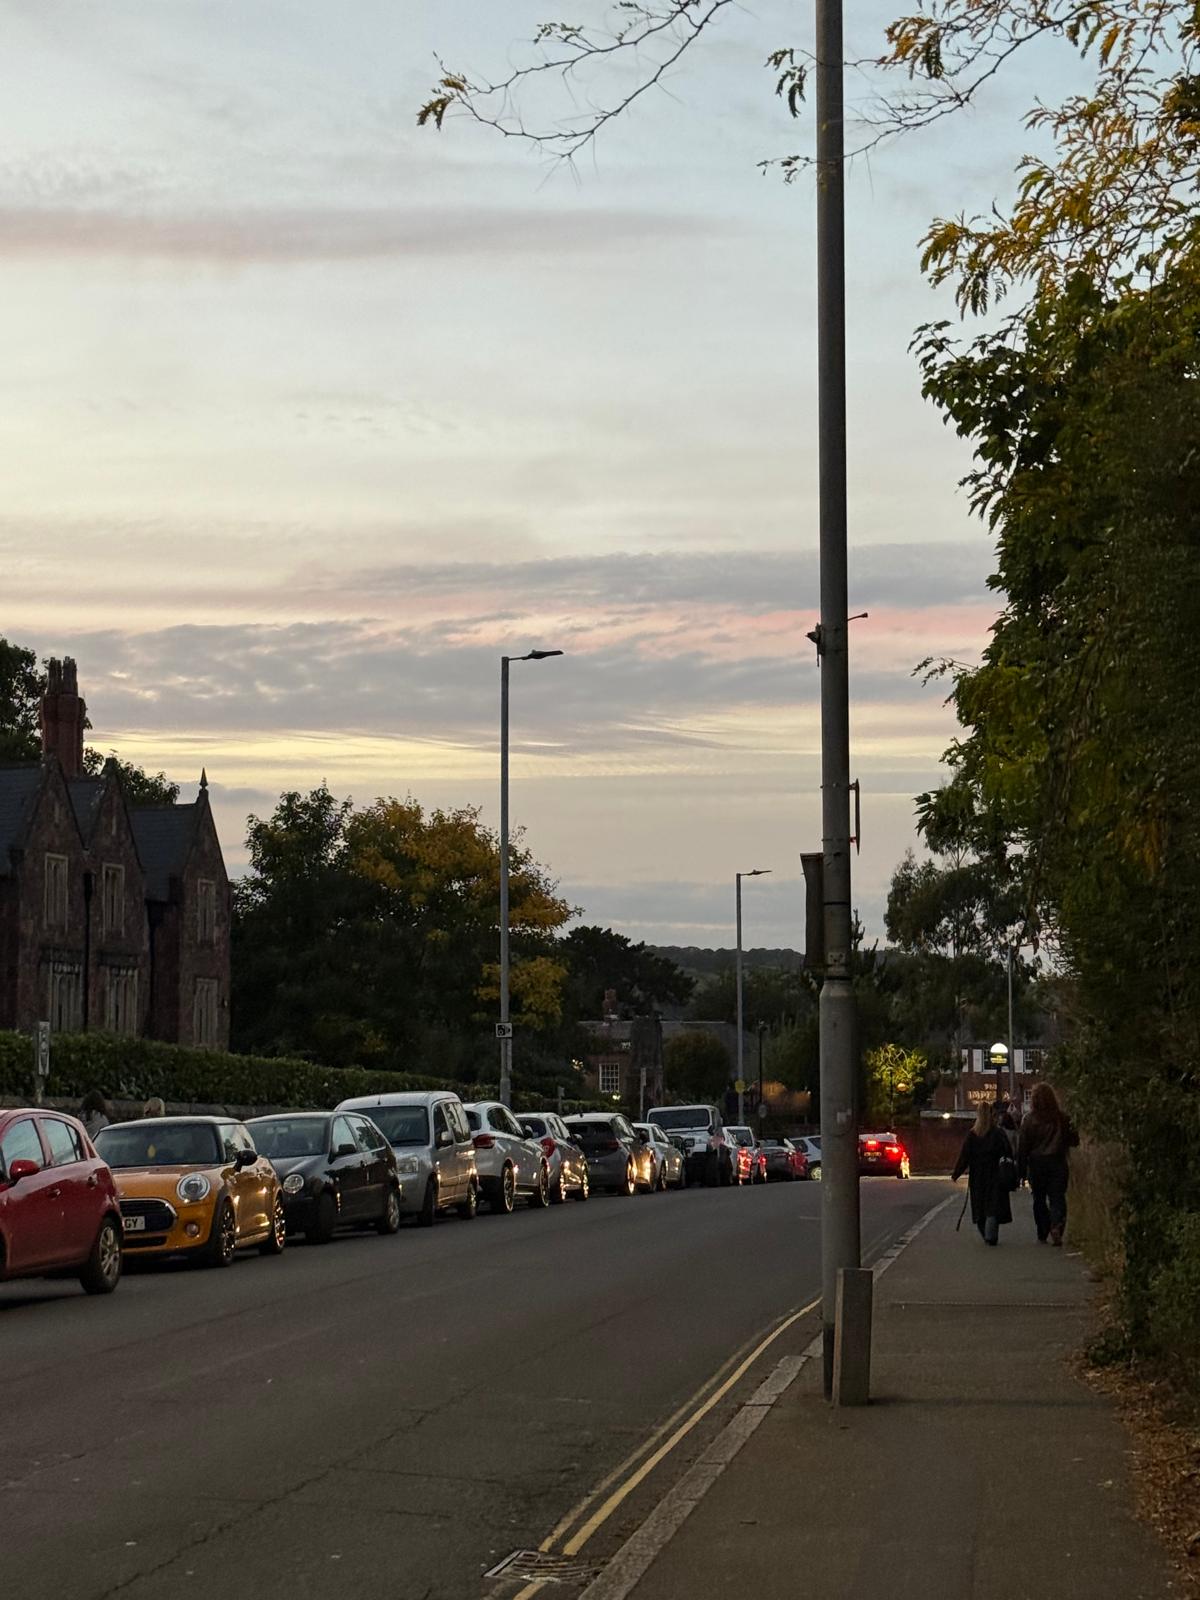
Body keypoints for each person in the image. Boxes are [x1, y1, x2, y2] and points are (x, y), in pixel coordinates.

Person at [1018, 1082, 1079, 1246]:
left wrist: (1021, 1170)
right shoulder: (1063, 1118)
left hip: (1037, 1164)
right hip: (1058, 1162)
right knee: (1057, 1196)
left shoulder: (1029, 1120)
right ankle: (1057, 1224)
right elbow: (1075, 1140)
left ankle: (1042, 1231)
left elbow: (1023, 1147)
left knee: (1039, 1199)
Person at [952, 1100, 1013, 1245]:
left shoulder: (973, 1135)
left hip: (978, 1176)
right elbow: (1008, 1152)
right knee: (993, 1205)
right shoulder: (998, 1133)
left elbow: (964, 1156)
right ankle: (991, 1235)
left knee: (980, 1206)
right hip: (996, 1174)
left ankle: (987, 1234)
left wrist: (956, 1173)